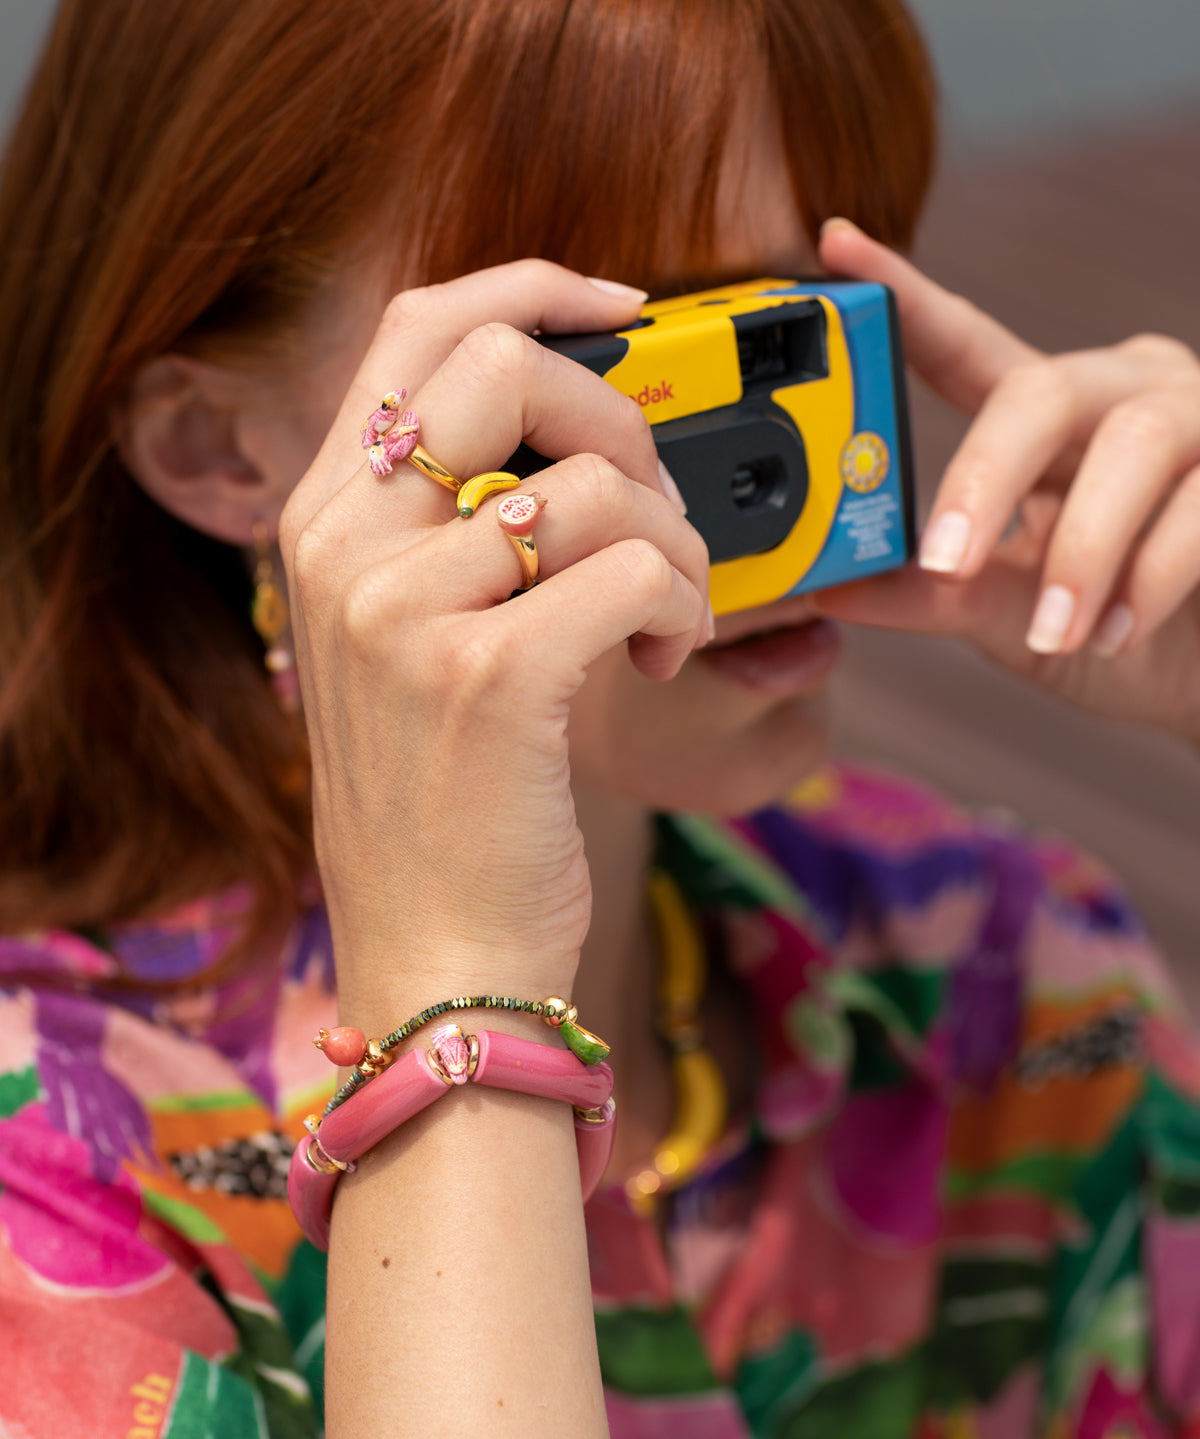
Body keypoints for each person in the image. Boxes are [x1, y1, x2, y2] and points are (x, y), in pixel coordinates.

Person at [1, 0, 1199, 1434]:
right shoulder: (52, 1174)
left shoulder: (1005, 969)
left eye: (793, 330)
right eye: (594, 367)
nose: (755, 470)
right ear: (218, 446)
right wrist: (460, 990)